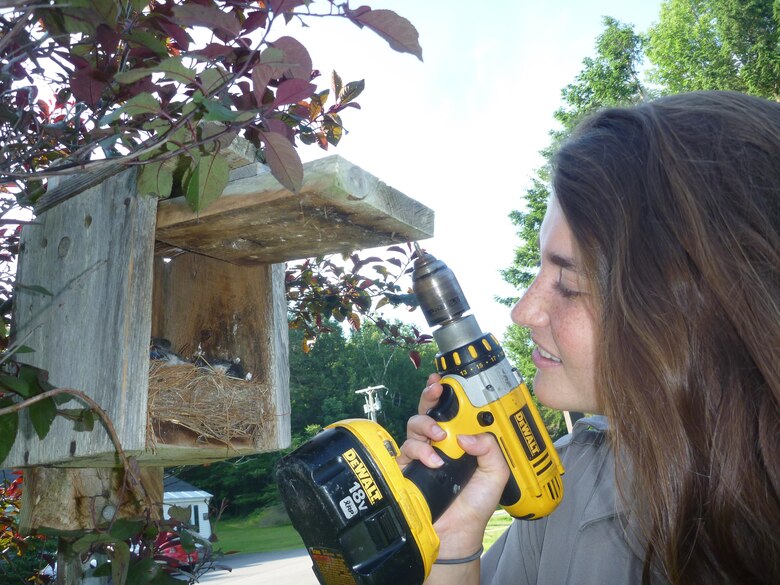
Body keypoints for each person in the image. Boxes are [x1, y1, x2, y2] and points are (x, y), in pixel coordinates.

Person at [399, 91, 780, 585]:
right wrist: (453, 544)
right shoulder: (571, 482)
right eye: (541, 267)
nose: (522, 312)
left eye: (570, 285)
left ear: (692, 312)